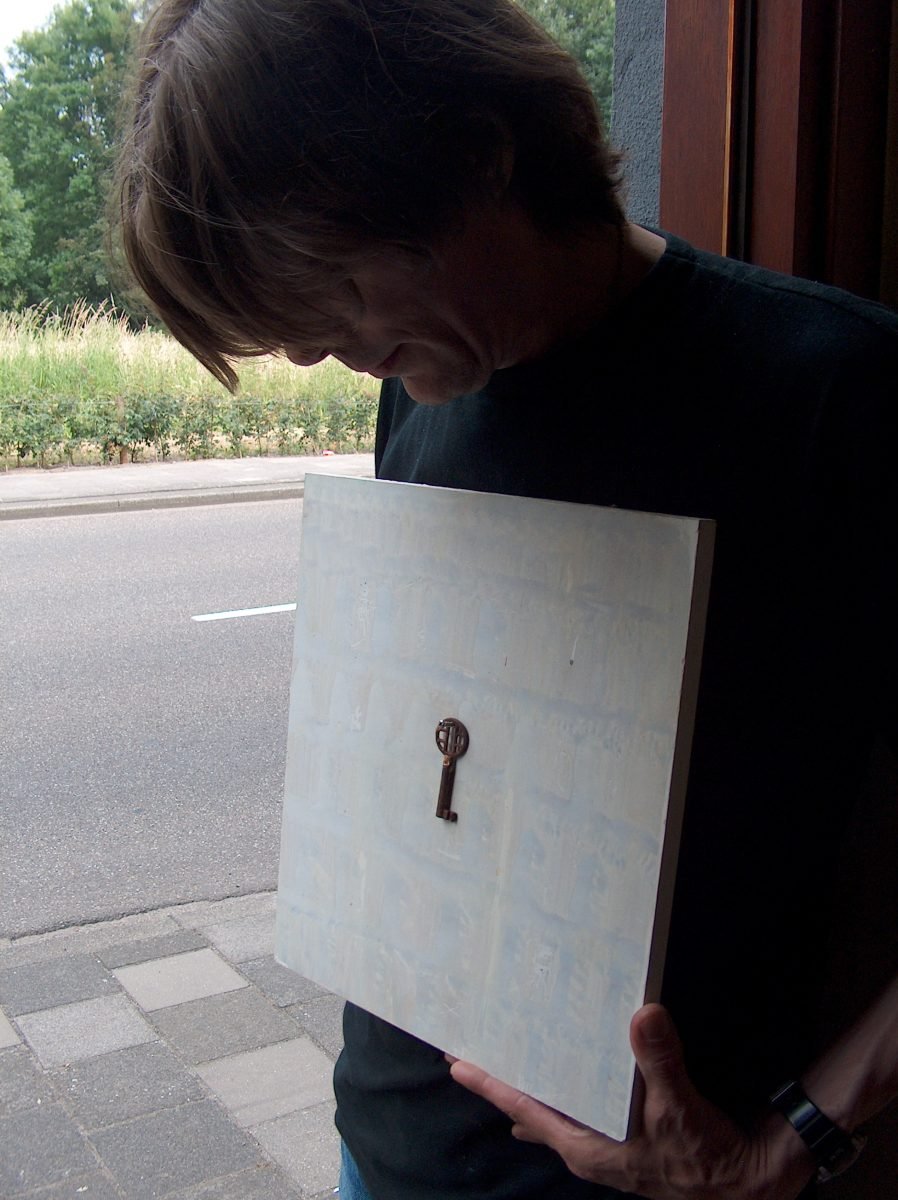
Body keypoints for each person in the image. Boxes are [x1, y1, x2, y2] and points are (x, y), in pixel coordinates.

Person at [116, 1, 898, 1197]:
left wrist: (798, 1140)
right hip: (380, 1148)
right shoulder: (424, 376)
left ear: (477, 158)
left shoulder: (837, 395)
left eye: (332, 287)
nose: (312, 352)